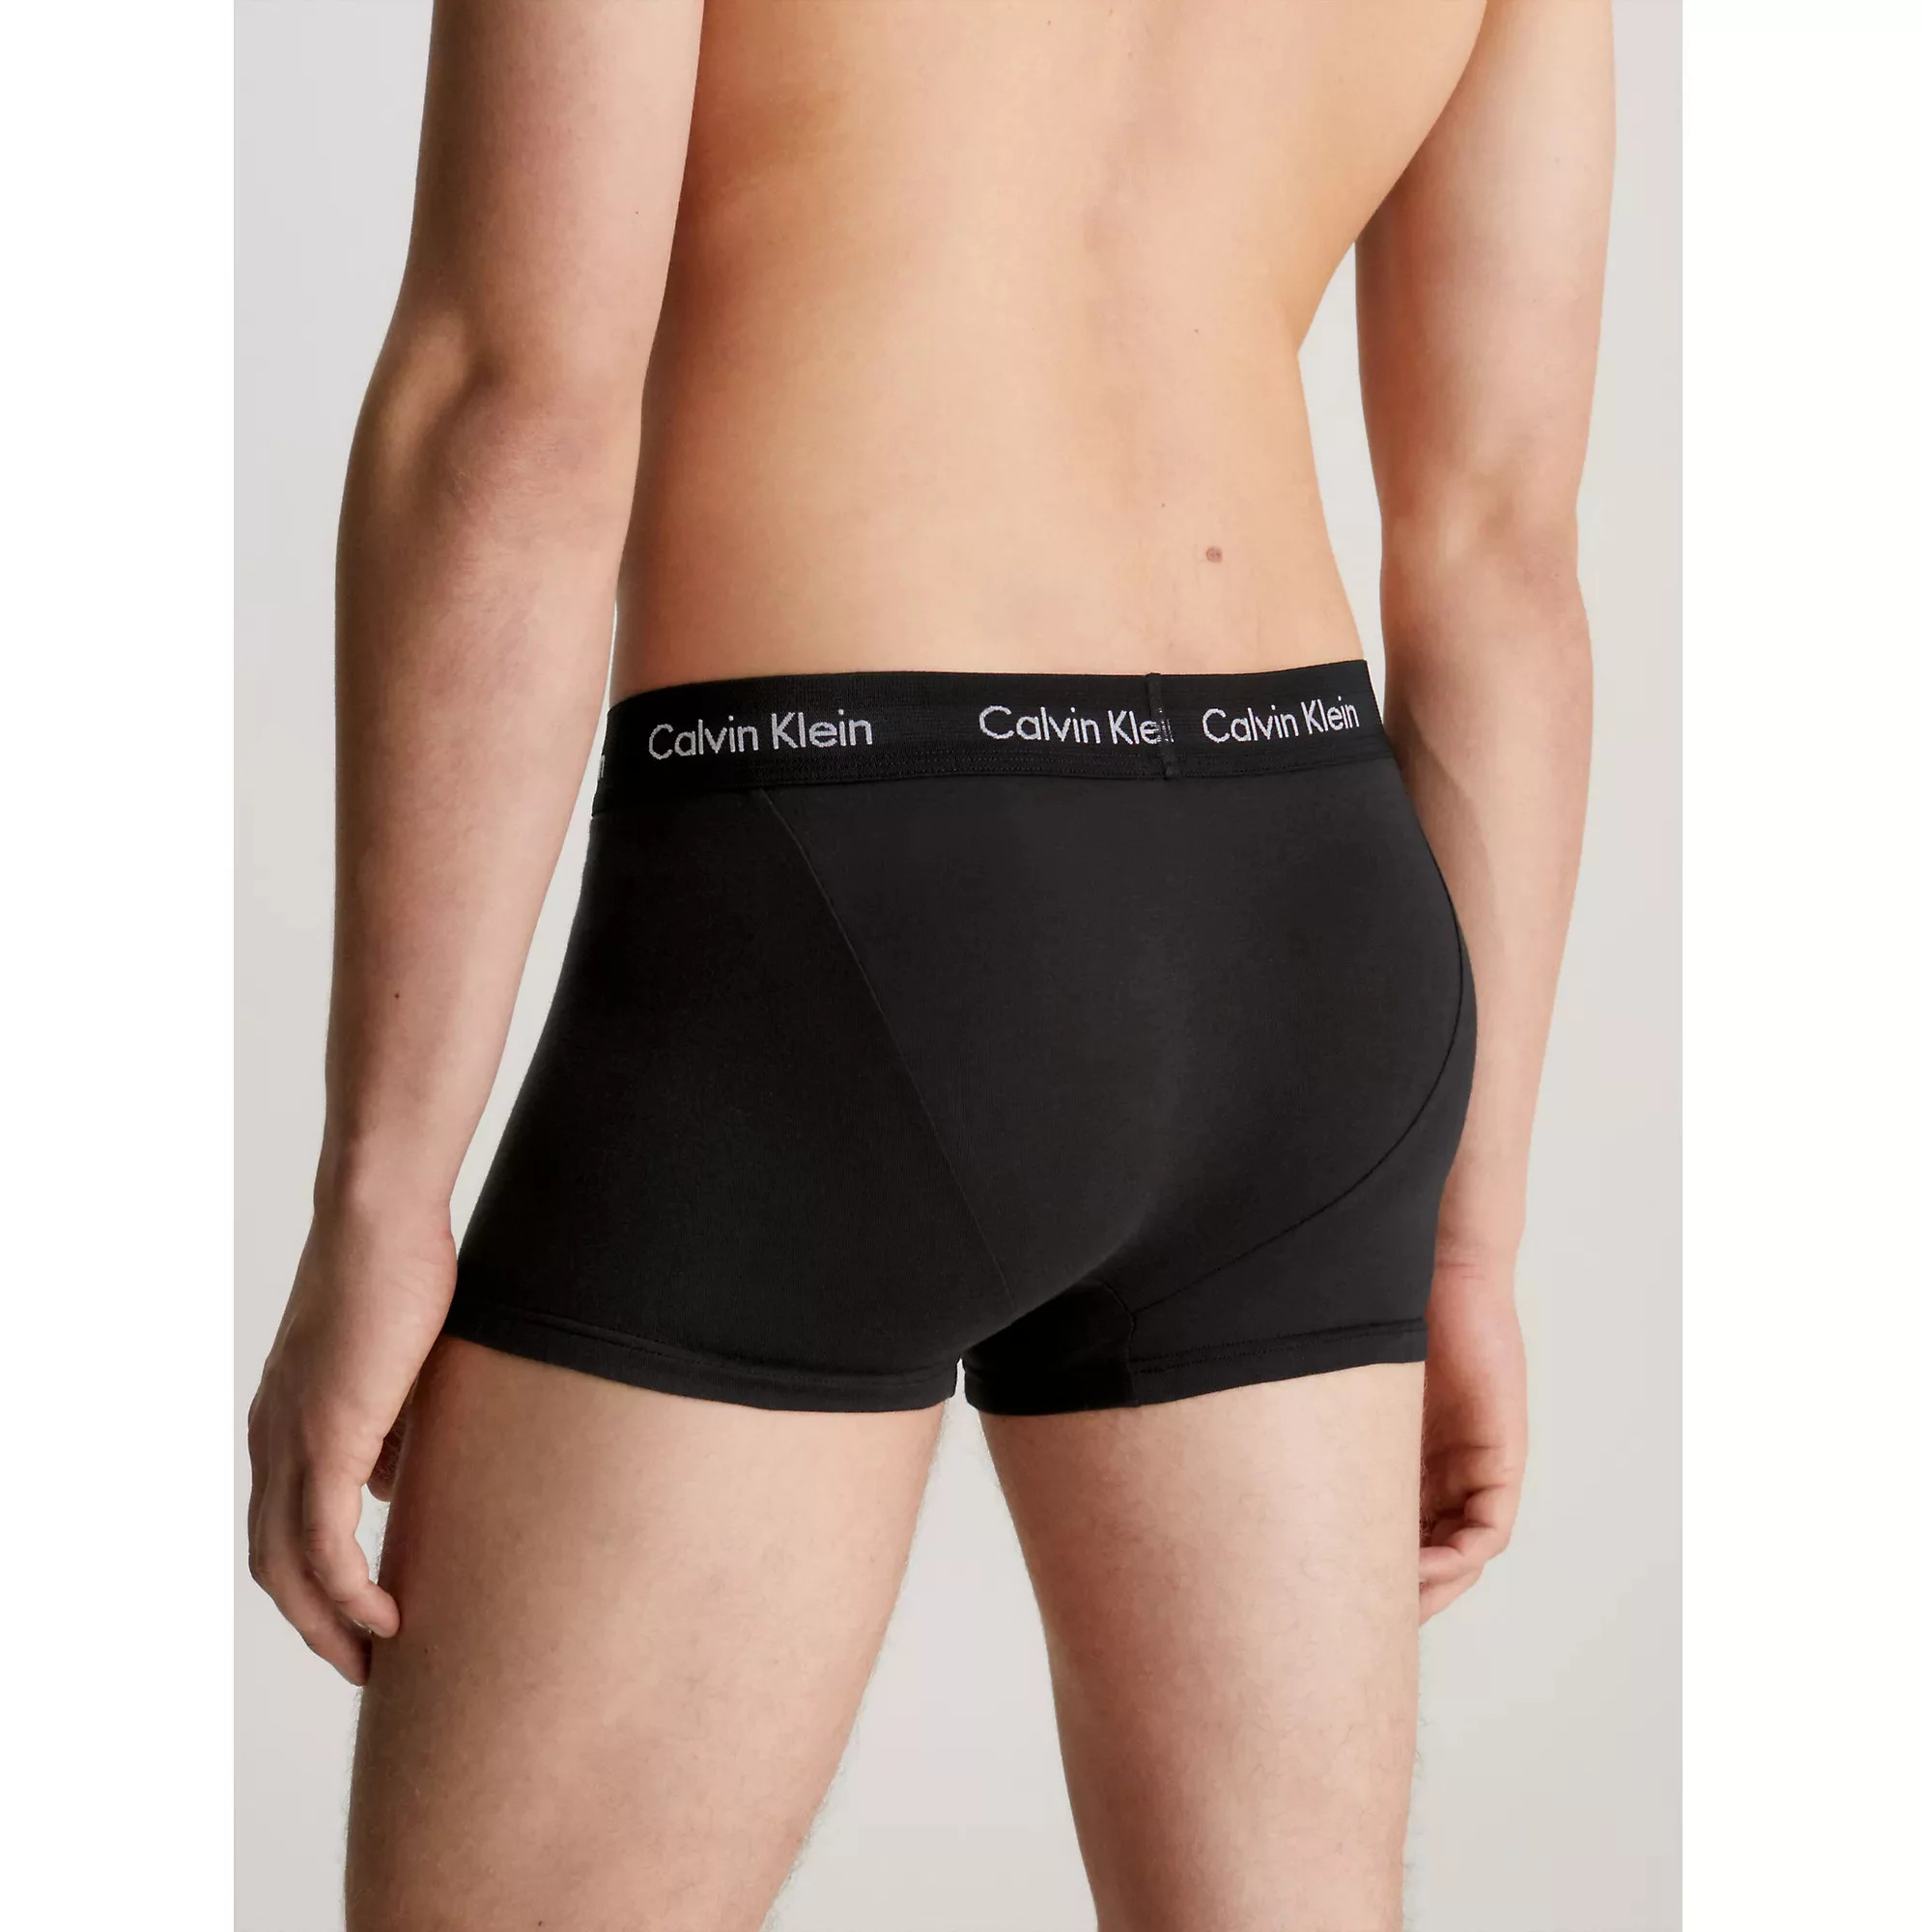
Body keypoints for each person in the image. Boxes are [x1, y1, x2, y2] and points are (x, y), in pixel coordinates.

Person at [245, 0, 1612, 1924]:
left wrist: (383, 1185)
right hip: (1304, 915)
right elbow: (1495, 558)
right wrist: (1465, 1228)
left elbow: (515, 404)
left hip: (840, 888)